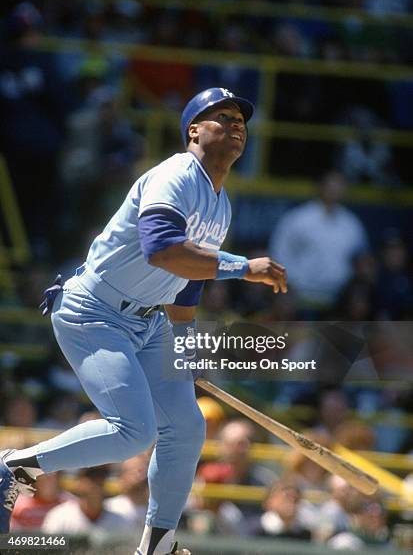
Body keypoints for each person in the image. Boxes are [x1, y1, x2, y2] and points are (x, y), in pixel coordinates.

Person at [0, 87, 288, 555]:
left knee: (187, 427)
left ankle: (158, 544)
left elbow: (188, 282)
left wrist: (183, 346)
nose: (236, 124)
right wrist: (241, 266)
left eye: (241, 119)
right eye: (222, 116)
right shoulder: (175, 174)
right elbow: (163, 248)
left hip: (152, 322)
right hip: (94, 311)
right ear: (194, 129)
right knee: (134, 430)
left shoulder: (221, 202)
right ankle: (14, 465)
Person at [269, 171, 368, 317]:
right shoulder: (298, 218)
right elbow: (279, 254)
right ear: (320, 187)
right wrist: (290, 286)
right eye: (331, 185)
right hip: (300, 299)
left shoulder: (351, 224)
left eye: (339, 185)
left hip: (339, 301)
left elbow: (361, 260)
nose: (335, 189)